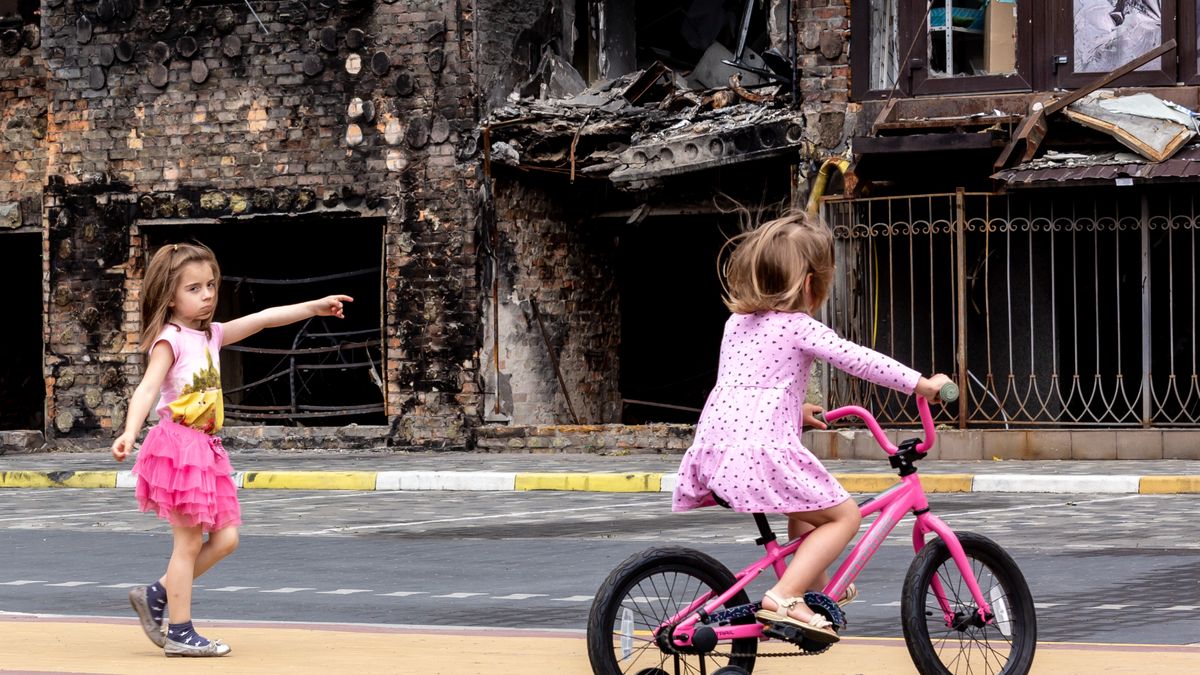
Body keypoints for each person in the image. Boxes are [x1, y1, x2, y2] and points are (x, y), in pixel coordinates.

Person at [672, 213, 951, 644]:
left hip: (716, 447)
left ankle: (813, 587)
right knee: (844, 516)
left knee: (804, 511)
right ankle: (785, 596)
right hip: (760, 451)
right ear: (809, 284)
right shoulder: (798, 326)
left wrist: (793, 408)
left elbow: (746, 383)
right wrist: (921, 384)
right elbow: (859, 359)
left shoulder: (736, 325)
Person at [110, 242, 352, 657]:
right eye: (194, 289)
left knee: (226, 540)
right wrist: (130, 432)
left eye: (210, 285)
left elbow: (261, 319)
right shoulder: (170, 340)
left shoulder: (212, 334)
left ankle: (156, 594)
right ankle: (180, 632)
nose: (206, 295)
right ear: (169, 295)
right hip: (177, 447)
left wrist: (313, 306)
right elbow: (148, 388)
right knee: (186, 545)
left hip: (205, 448)